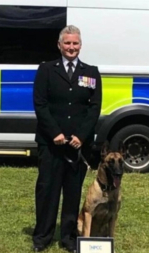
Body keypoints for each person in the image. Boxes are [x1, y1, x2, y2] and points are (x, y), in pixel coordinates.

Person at [32, 25, 102, 253]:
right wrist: (55, 133)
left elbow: (94, 108)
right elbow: (40, 104)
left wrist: (81, 136)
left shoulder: (91, 72)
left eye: (75, 43)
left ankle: (69, 238)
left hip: (77, 146)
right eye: (67, 43)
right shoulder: (46, 70)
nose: (71, 47)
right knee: (47, 191)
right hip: (51, 143)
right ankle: (42, 237)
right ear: (59, 45)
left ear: (80, 45)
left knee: (72, 194)